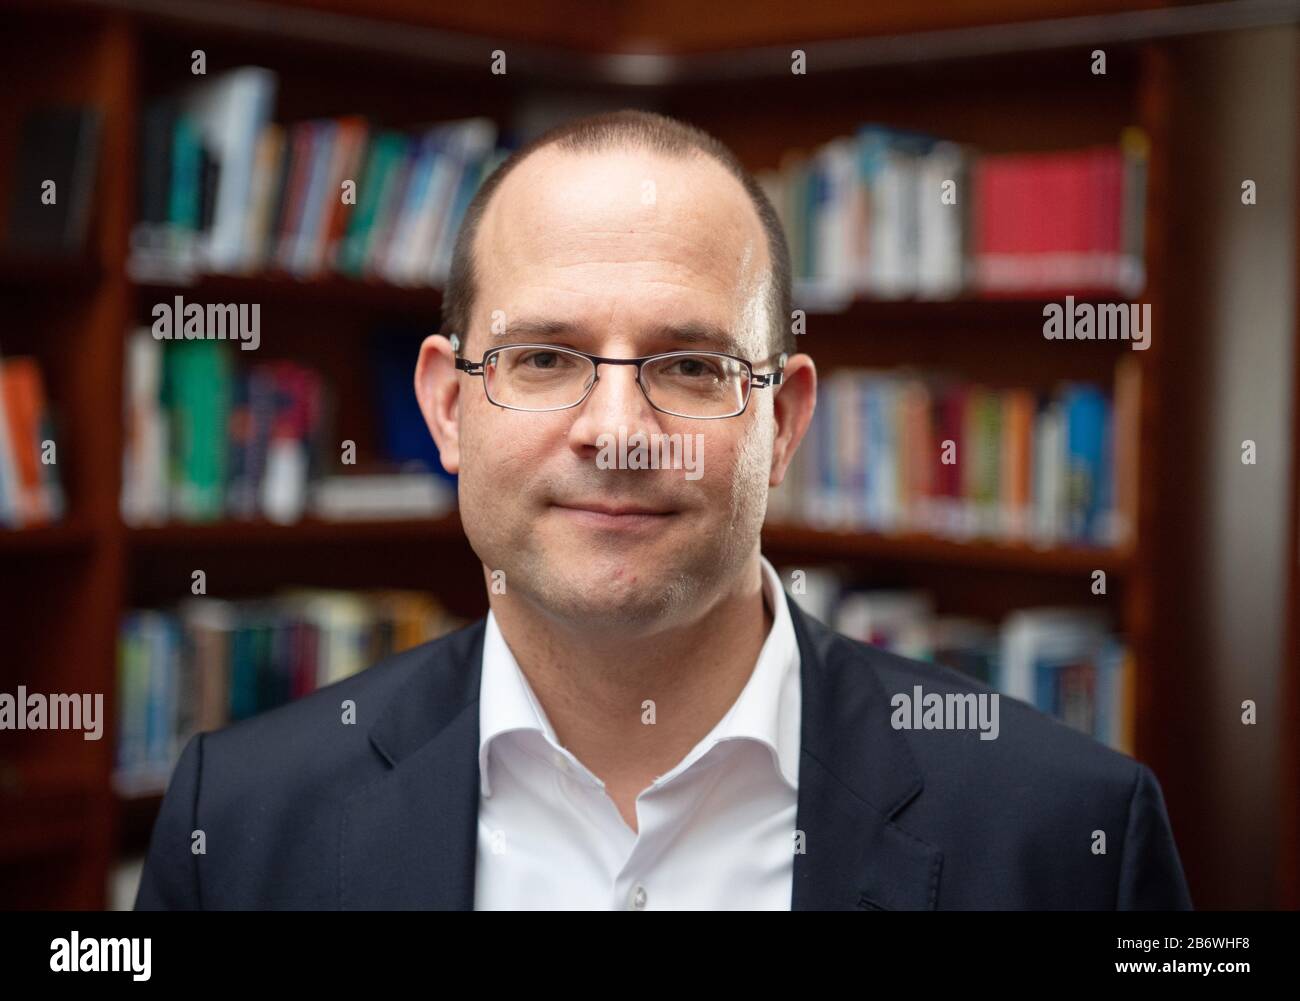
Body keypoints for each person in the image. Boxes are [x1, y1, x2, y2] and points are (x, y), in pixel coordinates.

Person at [136, 109, 1192, 910]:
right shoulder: (233, 822)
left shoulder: (1071, 836)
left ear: (782, 421)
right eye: (543, 357)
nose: (617, 429)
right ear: (448, 409)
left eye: (689, 364)